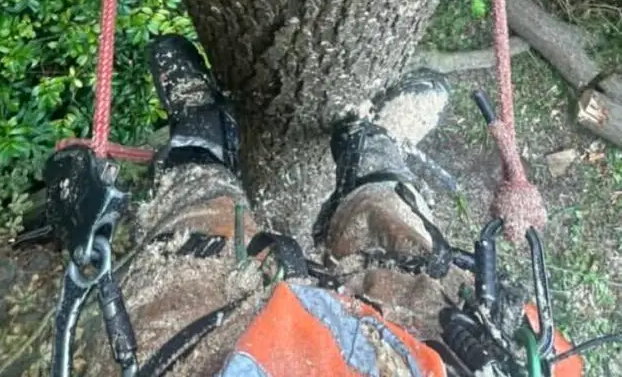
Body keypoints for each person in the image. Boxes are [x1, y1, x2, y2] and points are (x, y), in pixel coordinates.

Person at [60, 36, 583, 377]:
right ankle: (371, 150)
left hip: (232, 357)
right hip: (442, 358)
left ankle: (202, 144)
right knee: (410, 252)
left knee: (192, 251)